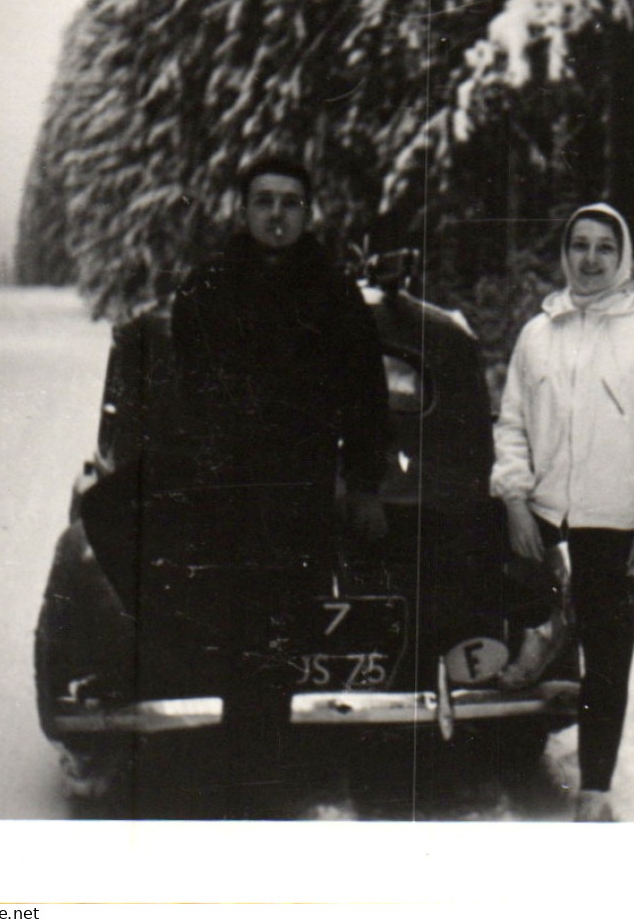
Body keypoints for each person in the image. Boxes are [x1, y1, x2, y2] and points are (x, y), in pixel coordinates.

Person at [171, 154, 388, 818]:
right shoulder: (206, 289)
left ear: (307, 212)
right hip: (228, 499)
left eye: (289, 202)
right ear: (243, 210)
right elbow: (185, 401)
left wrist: (365, 484)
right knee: (238, 640)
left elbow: (366, 398)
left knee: (286, 639)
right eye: (263, 200)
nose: (275, 214)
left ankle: (273, 781)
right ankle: (243, 789)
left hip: (301, 499)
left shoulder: (333, 292)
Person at [491, 203, 634, 822]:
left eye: (605, 247)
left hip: (616, 520)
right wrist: (517, 499)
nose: (591, 258)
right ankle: (548, 626)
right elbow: (513, 424)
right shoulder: (538, 334)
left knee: (608, 659)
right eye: (579, 245)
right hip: (545, 509)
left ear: (623, 257)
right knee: (501, 585)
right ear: (565, 255)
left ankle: (596, 789)